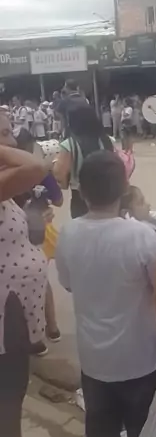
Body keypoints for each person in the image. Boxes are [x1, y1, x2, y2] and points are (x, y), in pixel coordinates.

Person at [55, 151, 156, 437]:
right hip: (141, 356)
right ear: (125, 188)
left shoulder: (70, 232)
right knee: (143, 430)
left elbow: (67, 283)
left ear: (82, 190)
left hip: (95, 358)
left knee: (98, 427)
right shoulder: (140, 235)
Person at [0, 112, 61, 437]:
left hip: (13, 303)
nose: (12, 141)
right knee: (5, 392)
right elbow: (38, 166)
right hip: (2, 308)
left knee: (14, 385)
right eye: (4, 133)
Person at [14, 129, 63, 351]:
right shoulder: (40, 171)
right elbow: (59, 201)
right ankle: (50, 328)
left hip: (23, 234)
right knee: (39, 280)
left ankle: (37, 334)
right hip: (36, 231)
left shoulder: (11, 171)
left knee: (24, 284)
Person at [54, 106, 114, 218]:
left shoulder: (69, 144)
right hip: (108, 191)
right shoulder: (108, 141)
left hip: (80, 195)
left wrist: (64, 183)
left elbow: (60, 173)